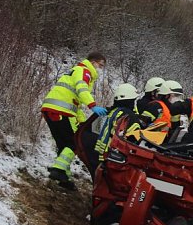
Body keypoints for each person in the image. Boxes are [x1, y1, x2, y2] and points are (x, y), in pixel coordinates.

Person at [41, 52, 107, 190]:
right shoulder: (85, 71)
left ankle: (64, 178)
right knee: (73, 143)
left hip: (53, 109)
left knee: (64, 144)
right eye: (100, 65)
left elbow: (75, 102)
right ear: (93, 62)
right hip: (60, 110)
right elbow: (81, 89)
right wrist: (93, 106)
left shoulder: (76, 70)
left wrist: (83, 122)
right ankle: (58, 171)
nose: (100, 69)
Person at [89, 83, 143, 175]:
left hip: (103, 155)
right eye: (133, 100)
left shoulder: (113, 111)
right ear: (129, 100)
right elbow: (133, 140)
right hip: (115, 158)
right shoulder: (128, 116)